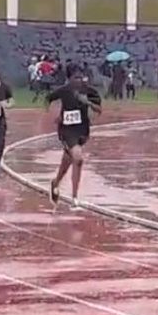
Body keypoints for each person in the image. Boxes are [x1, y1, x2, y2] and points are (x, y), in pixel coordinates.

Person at [46, 65, 102, 210]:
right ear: (69, 79)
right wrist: (55, 115)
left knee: (69, 158)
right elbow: (48, 99)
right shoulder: (64, 90)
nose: (78, 80)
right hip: (66, 130)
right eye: (75, 78)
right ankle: (75, 198)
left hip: (82, 130)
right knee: (78, 158)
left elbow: (99, 110)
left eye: (80, 77)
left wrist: (87, 102)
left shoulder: (89, 91)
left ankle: (56, 182)